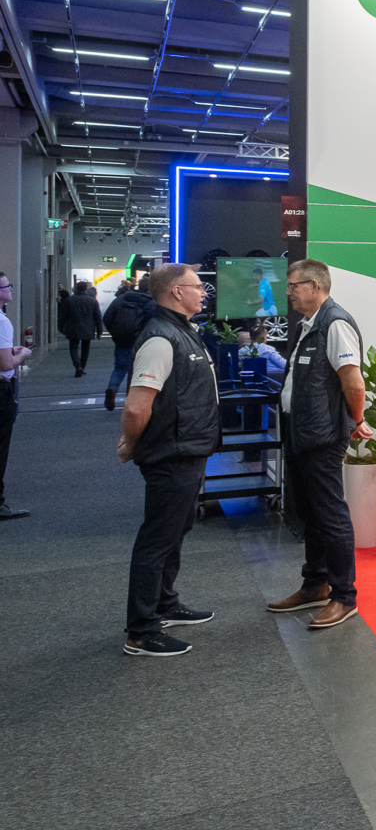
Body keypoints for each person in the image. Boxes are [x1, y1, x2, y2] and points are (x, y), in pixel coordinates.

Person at [118, 263, 220, 656]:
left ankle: (165, 604)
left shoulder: (180, 330)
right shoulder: (161, 338)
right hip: (170, 453)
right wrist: (131, 444)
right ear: (176, 291)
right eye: (197, 287)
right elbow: (136, 407)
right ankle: (141, 630)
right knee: (157, 540)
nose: (203, 292)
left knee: (176, 532)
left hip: (188, 449)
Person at [267, 259, 371, 632]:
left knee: (330, 512)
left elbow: (353, 381)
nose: (289, 292)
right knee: (311, 511)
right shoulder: (309, 324)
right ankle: (315, 584)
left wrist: (357, 421)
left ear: (314, 285)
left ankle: (344, 596)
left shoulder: (335, 323)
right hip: (302, 431)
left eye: (293, 285)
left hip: (323, 435)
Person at [0, 273, 35, 520]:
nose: (11, 288)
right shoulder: (2, 322)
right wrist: (21, 355)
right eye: (7, 286)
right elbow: (5, 365)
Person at [102, 276, 156, 413]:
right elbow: (151, 325)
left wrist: (115, 333)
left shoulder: (121, 299)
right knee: (137, 372)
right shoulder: (150, 303)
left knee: (119, 368)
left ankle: (112, 388)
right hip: (140, 343)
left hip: (121, 340)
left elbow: (107, 317)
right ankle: (131, 401)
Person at [66, 281, 104, 377]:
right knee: (85, 348)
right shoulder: (92, 301)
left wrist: (62, 327)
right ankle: (82, 366)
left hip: (73, 326)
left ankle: (77, 364)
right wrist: (99, 331)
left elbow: (63, 315)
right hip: (88, 327)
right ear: (86, 289)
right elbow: (97, 317)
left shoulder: (70, 300)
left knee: (73, 347)